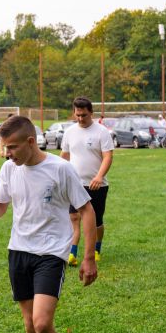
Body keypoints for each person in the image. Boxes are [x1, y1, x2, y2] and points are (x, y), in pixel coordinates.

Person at [0, 116, 98, 333]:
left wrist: (88, 257)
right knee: (29, 324)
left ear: (31, 141)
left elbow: (87, 210)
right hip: (18, 251)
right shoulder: (9, 168)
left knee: (41, 323)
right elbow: (1, 206)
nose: (7, 153)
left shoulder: (61, 169)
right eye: (4, 147)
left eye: (12, 147)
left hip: (50, 253)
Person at [61, 96, 114, 265]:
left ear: (91, 113)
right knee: (74, 217)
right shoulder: (69, 132)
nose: (80, 118)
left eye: (84, 115)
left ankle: (96, 248)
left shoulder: (101, 132)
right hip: (75, 183)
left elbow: (108, 156)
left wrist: (99, 176)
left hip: (97, 185)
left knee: (96, 220)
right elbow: (64, 156)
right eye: (77, 115)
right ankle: (72, 253)